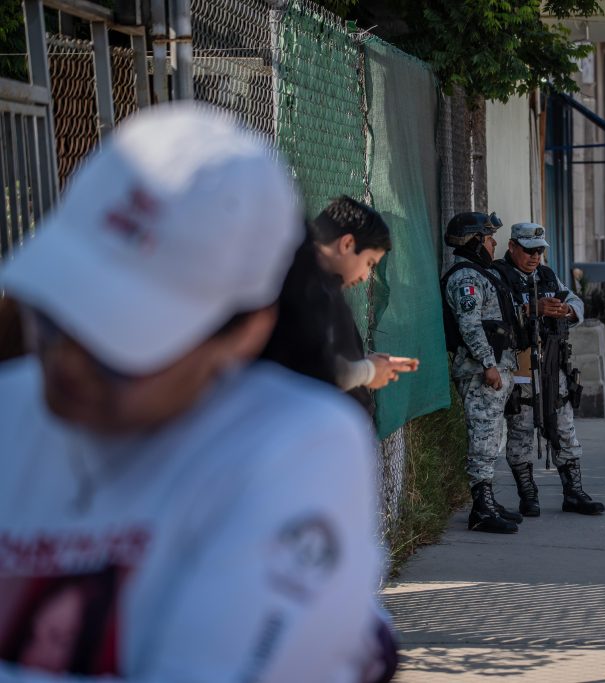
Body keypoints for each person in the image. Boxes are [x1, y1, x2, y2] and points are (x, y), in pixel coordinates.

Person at [0, 103, 385, 682]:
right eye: (55, 312)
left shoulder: (288, 448)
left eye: (122, 340)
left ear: (244, 334)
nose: (68, 359)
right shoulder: (12, 405)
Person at [490, 223, 604, 517]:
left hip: (552, 367)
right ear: (512, 247)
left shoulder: (547, 275)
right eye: (529, 250)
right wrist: (530, 309)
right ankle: (528, 495)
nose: (535, 257)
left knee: (564, 428)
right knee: (521, 430)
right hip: (518, 367)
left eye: (539, 251)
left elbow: (574, 301)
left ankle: (574, 493)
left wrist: (567, 311)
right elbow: (493, 317)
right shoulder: (498, 277)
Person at [264, 196, 418, 413]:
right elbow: (312, 371)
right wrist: (368, 371)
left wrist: (365, 364)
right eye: (369, 263)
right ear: (347, 244)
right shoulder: (302, 285)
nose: (365, 276)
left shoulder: (319, 284)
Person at [440, 211, 524, 534]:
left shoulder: (480, 274)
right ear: (474, 242)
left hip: (491, 369)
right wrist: (489, 364)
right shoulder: (466, 278)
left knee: (491, 438)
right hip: (479, 372)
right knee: (483, 438)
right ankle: (481, 508)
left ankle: (487, 500)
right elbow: (470, 325)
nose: (493, 244)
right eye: (489, 239)